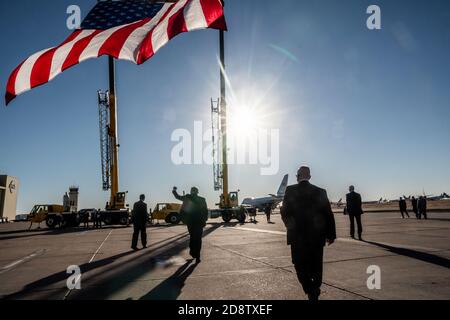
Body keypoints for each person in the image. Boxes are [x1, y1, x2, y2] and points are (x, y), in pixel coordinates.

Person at [281, 166, 336, 301]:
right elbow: (328, 214)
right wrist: (331, 235)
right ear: (310, 177)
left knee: (299, 264)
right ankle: (315, 287)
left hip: (297, 238)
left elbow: (284, 212)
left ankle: (310, 289)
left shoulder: (290, 190)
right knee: (316, 265)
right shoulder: (321, 192)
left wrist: (291, 227)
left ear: (297, 176)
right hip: (317, 237)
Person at [172, 186, 208, 264]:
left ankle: (192, 252)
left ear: (191, 191)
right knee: (198, 239)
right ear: (197, 192)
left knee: (192, 237)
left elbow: (177, 197)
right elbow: (205, 211)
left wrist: (174, 190)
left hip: (191, 222)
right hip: (199, 223)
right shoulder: (202, 199)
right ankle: (197, 256)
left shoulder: (187, 197)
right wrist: (205, 220)